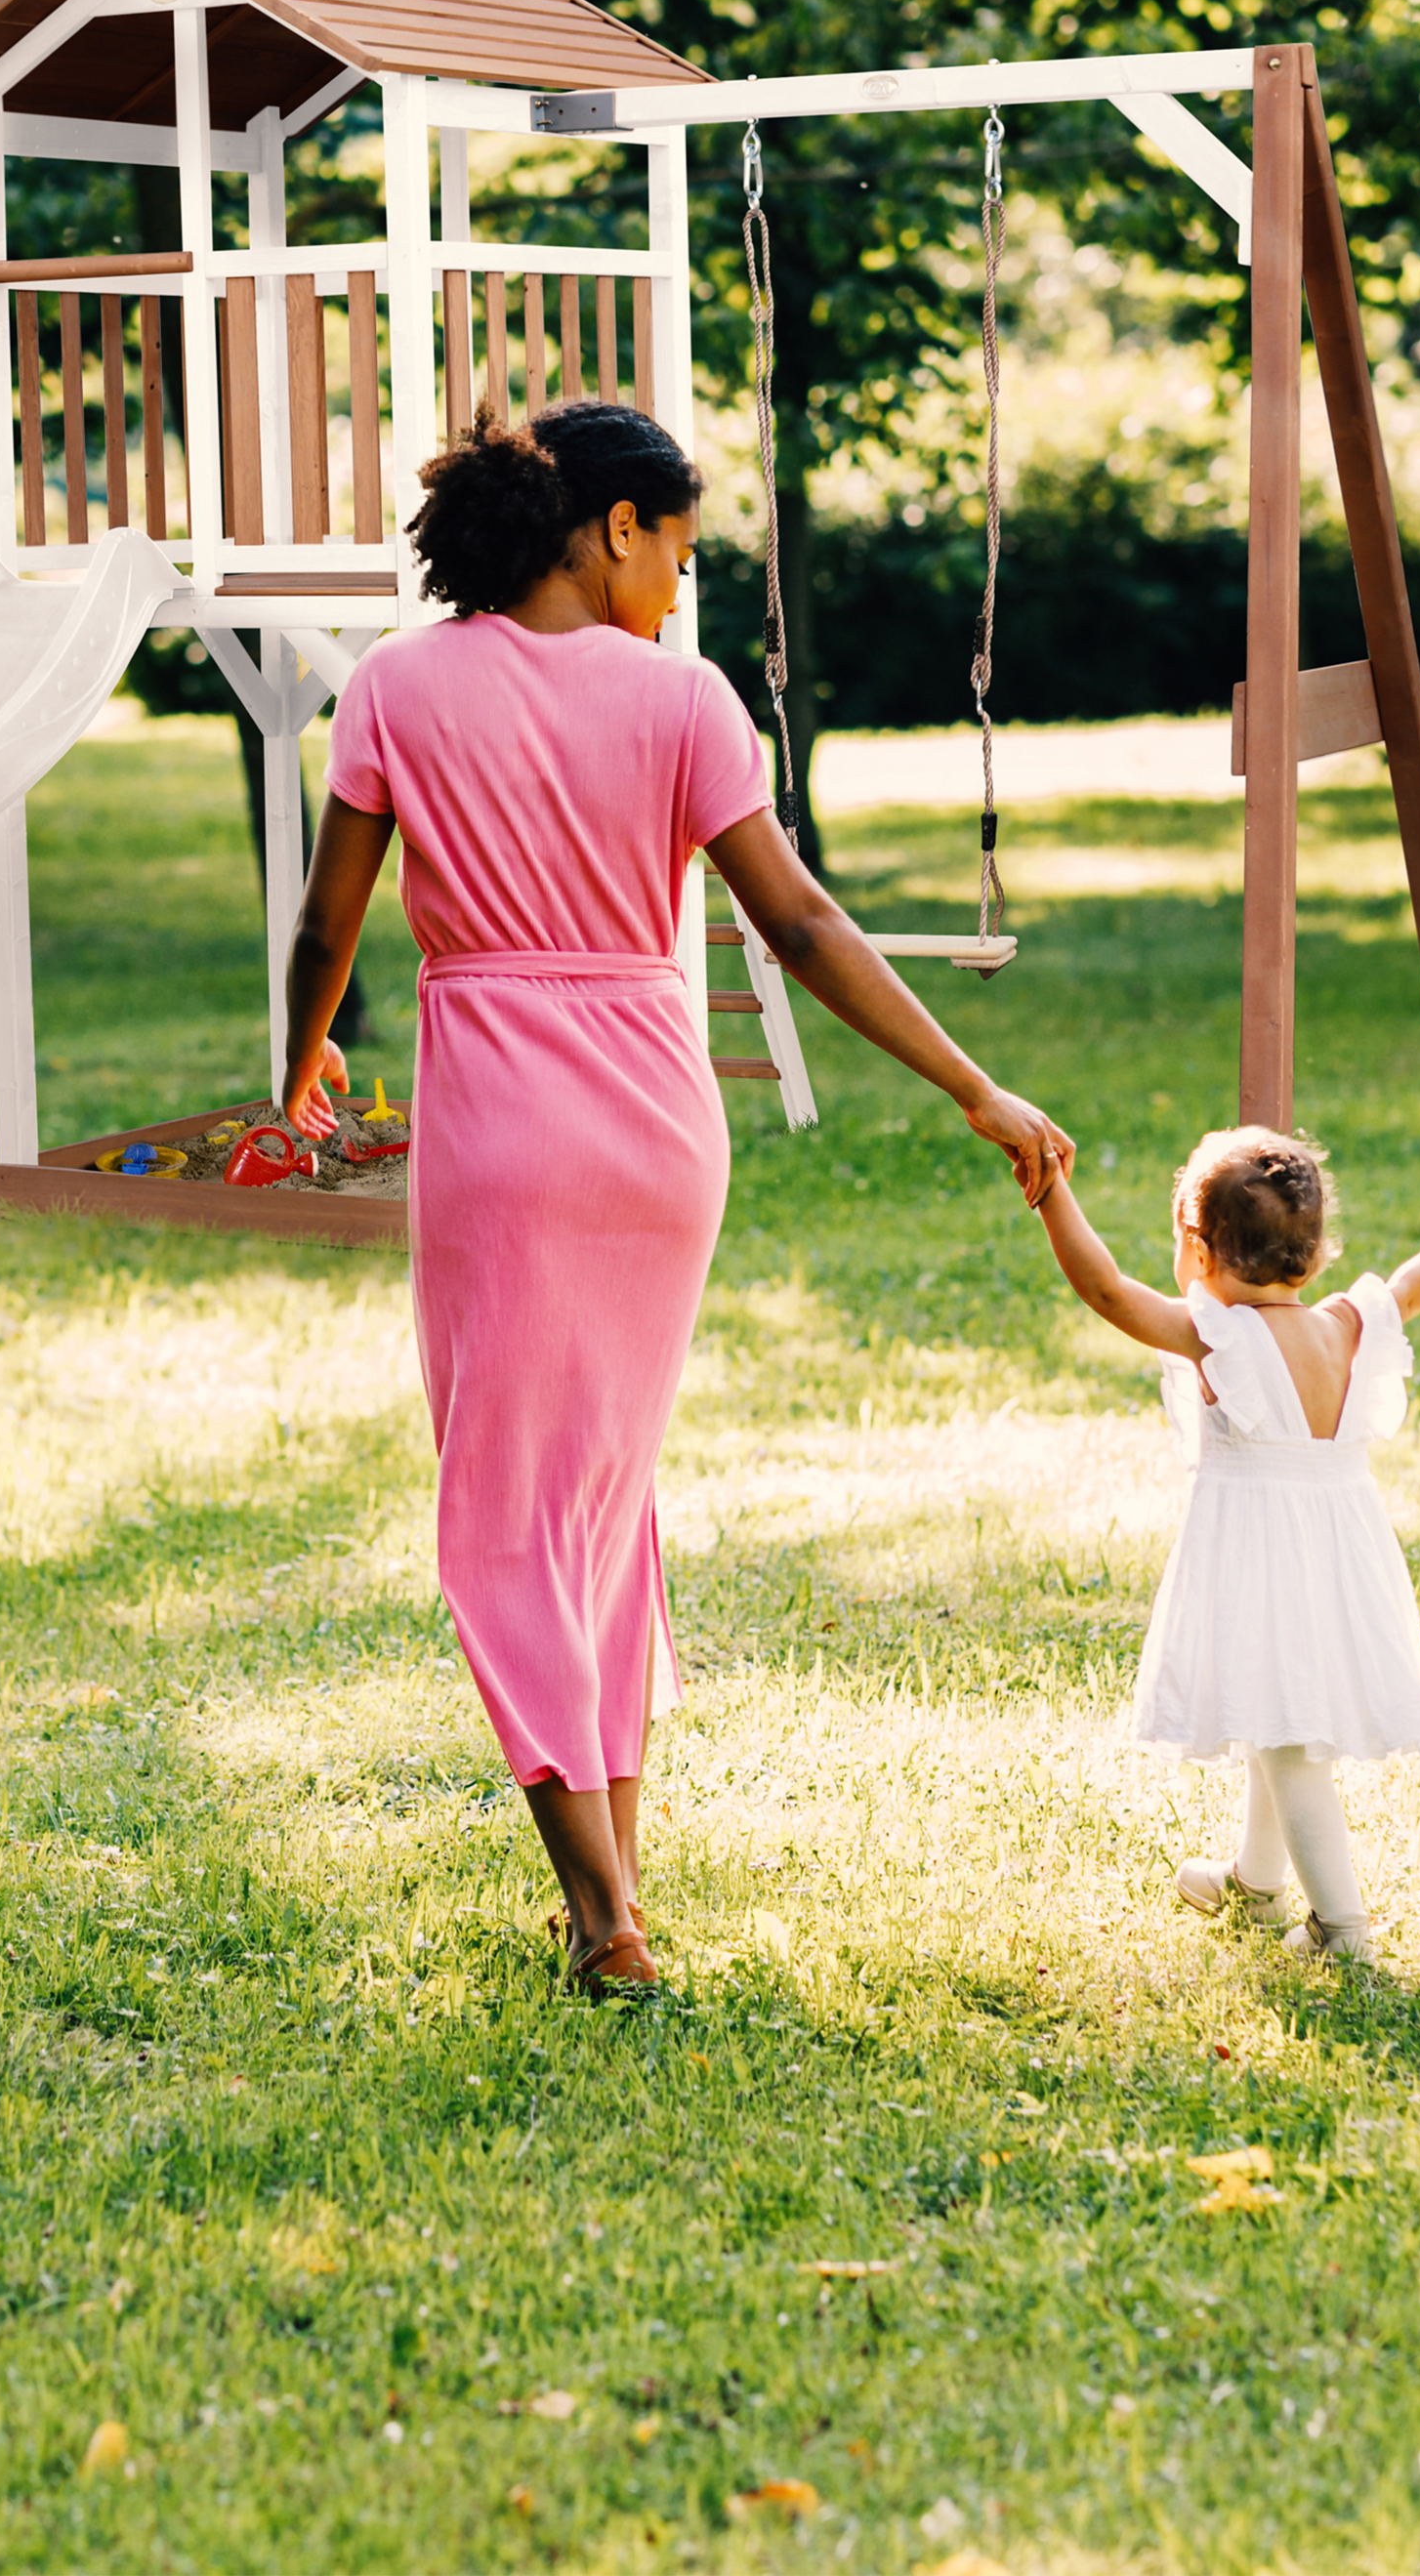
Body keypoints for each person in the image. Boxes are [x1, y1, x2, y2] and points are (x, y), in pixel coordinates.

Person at [277, 403, 1071, 1996]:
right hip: (655, 1131)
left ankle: (600, 1915)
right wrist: (971, 1084)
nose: (679, 587)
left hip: (500, 1129)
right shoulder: (685, 702)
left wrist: (293, 1076)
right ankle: (615, 1886)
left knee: (507, 1516)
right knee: (599, 1503)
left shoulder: (397, 686)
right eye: (678, 552)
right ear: (610, 527)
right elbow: (802, 926)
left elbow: (328, 927)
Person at [1027, 1124, 1420, 1959]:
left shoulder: (1220, 1338)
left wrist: (1051, 1192)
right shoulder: (1348, 1324)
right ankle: (1255, 1883)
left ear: (1199, 1250)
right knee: (1270, 1712)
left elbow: (1106, 1290)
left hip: (1262, 1563)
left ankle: (1342, 1930)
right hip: (1339, 1558)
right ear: (1315, 1256)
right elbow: (1413, 1282)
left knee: (1288, 1745)